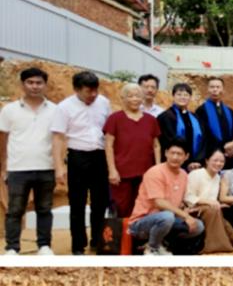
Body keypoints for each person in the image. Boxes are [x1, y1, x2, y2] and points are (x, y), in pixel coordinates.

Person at [51, 71, 111, 255]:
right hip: (78, 156)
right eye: (88, 91)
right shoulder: (64, 107)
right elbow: (58, 137)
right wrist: (59, 167)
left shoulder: (104, 102)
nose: (93, 95)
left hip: (100, 157)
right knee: (77, 203)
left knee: (100, 203)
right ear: (77, 89)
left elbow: (109, 132)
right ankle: (78, 244)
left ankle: (98, 241)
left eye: (95, 90)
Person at [0, 67, 57, 256]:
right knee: (15, 210)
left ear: (45, 85)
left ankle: (44, 246)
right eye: (30, 82)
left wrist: (59, 166)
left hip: (46, 167)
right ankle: (12, 247)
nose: (35, 86)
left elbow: (59, 139)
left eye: (39, 83)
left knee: (44, 209)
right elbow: (3, 140)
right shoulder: (9, 110)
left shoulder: (55, 110)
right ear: (22, 84)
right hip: (18, 168)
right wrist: (4, 166)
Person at [128, 139, 205, 255]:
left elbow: (179, 202)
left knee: (198, 226)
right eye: (172, 153)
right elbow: (159, 203)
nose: (175, 157)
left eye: (179, 154)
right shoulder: (155, 172)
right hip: (141, 223)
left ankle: (164, 244)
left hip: (167, 221)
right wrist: (184, 215)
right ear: (166, 153)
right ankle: (152, 248)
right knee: (167, 217)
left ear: (186, 157)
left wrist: (186, 210)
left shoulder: (184, 174)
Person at [103, 83, 161, 218]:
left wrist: (157, 167)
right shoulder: (115, 118)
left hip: (145, 173)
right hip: (122, 173)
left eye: (137, 96)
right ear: (123, 98)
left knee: (143, 207)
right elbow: (108, 145)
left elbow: (156, 145)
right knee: (121, 207)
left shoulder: (151, 120)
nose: (134, 99)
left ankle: (138, 238)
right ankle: (122, 238)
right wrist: (112, 169)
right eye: (130, 96)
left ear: (142, 99)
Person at [185, 149, 233, 253]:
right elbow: (188, 197)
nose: (218, 163)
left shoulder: (217, 178)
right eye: (215, 160)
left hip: (211, 209)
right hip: (194, 210)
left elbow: (213, 199)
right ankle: (214, 245)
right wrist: (208, 202)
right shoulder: (196, 174)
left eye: (221, 161)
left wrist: (217, 203)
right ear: (206, 161)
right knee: (213, 211)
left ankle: (227, 240)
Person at [157, 83, 204, 171]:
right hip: (175, 161)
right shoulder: (166, 116)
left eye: (186, 95)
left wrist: (197, 160)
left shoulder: (195, 117)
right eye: (179, 94)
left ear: (190, 97)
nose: (182, 97)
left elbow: (203, 140)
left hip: (195, 164)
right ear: (173, 96)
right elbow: (168, 141)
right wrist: (185, 161)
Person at [195, 77, 233, 166]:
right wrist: (222, 147)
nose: (215, 89)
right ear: (208, 90)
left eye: (218, 87)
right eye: (212, 87)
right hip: (210, 154)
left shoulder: (230, 111)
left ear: (223, 90)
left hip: (228, 155)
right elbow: (203, 135)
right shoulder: (201, 111)